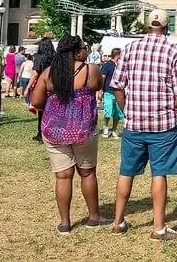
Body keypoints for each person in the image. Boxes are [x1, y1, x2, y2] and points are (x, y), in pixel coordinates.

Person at [109, 9, 177, 241]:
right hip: (164, 123)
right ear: (166, 27)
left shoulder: (130, 48)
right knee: (159, 173)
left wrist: (128, 109)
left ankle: (118, 221)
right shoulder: (173, 50)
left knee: (126, 171)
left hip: (135, 123)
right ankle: (158, 227)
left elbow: (117, 85)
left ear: (148, 26)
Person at [30, 35, 106, 234]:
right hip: (83, 128)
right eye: (84, 47)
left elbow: (36, 102)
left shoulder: (49, 73)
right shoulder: (91, 70)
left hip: (54, 129)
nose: (86, 50)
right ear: (77, 51)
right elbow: (98, 86)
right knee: (87, 172)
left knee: (63, 177)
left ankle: (64, 222)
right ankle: (94, 216)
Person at [30, 31, 57, 142]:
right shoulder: (56, 58)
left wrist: (28, 87)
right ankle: (53, 132)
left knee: (41, 111)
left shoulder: (38, 58)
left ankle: (41, 133)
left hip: (41, 86)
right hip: (54, 86)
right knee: (53, 111)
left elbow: (35, 73)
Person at [101, 47, 124, 138]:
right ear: (118, 55)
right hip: (108, 91)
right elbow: (103, 77)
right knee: (108, 111)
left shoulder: (120, 65)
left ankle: (114, 129)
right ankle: (106, 127)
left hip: (119, 92)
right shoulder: (107, 65)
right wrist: (101, 90)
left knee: (118, 113)